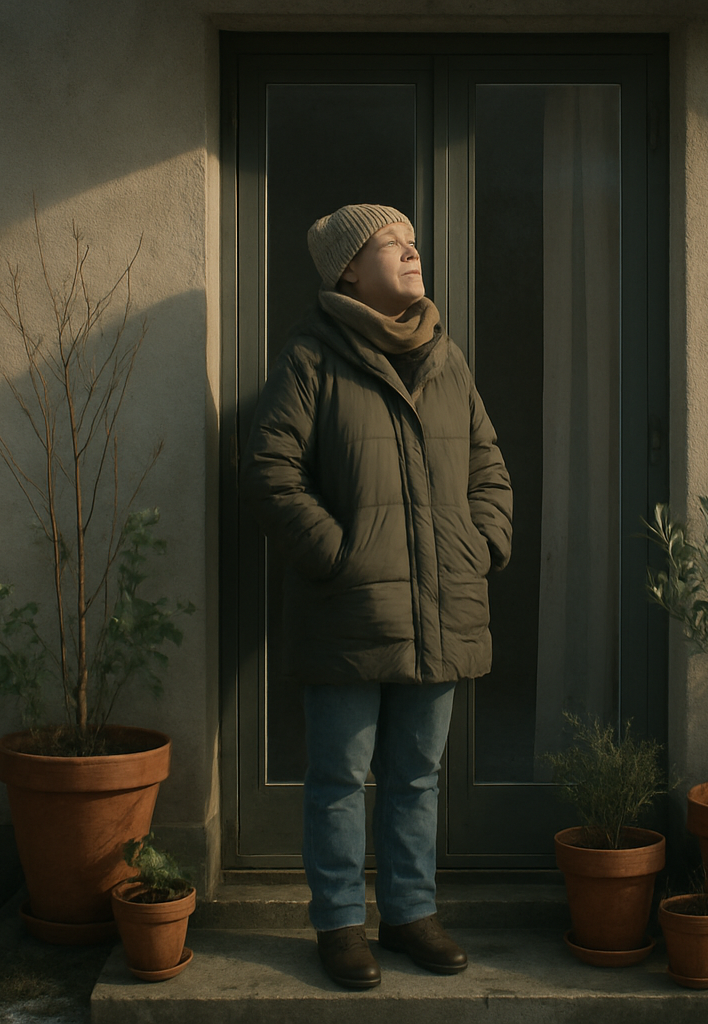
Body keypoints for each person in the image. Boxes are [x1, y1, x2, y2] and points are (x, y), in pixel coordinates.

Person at [242, 204, 513, 990]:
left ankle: (409, 915)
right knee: (338, 777)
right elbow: (269, 471)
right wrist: (338, 553)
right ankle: (338, 926)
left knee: (417, 773)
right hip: (349, 612)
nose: (412, 252)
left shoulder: (445, 355)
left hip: (441, 602)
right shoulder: (311, 358)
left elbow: (488, 461)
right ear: (348, 271)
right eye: (392, 244)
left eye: (413, 242)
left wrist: (483, 539)